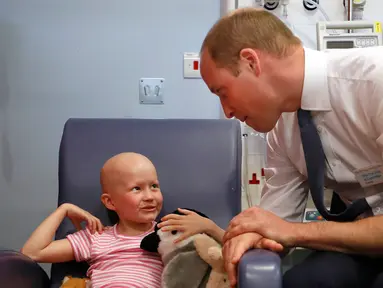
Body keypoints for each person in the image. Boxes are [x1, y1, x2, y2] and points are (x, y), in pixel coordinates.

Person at [199, 6, 383, 288]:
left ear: (251, 62)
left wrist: (294, 232)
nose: (226, 111)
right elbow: (274, 224)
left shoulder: (373, 82)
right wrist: (249, 235)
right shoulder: (283, 128)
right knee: (302, 282)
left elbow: (286, 229)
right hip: (363, 238)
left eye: (222, 93)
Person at [20, 152, 232, 287]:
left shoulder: (170, 232)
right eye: (136, 189)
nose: (149, 196)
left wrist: (209, 227)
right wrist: (64, 210)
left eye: (154, 186)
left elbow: (223, 253)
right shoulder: (96, 237)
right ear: (110, 202)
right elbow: (32, 252)